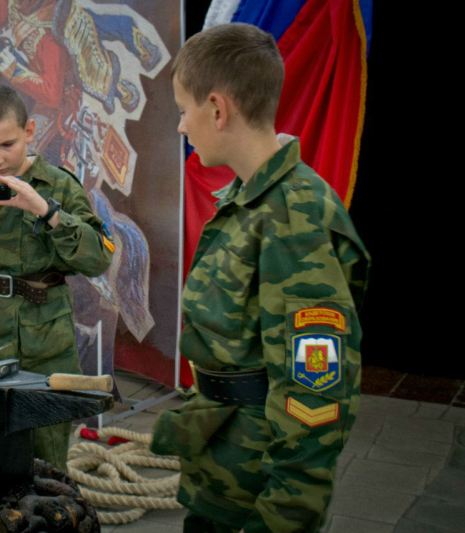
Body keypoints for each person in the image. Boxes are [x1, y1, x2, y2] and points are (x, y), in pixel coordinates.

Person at [150, 24, 370, 533]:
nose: (180, 127)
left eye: (183, 110)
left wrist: (284, 515)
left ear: (218, 109)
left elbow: (315, 390)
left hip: (253, 493)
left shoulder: (295, 218)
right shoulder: (249, 199)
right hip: (222, 470)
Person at [0, 85, 114, 472]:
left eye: (7, 145)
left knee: (46, 465)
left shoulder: (59, 186)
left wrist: (48, 212)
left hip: (43, 348)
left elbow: (99, 258)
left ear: (29, 131)